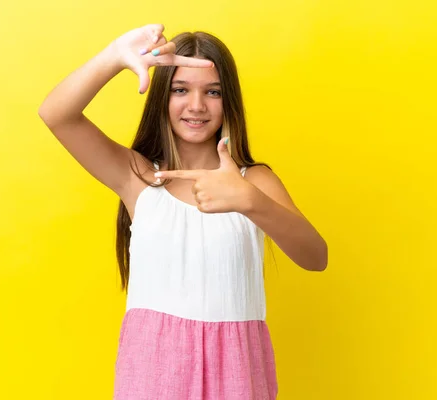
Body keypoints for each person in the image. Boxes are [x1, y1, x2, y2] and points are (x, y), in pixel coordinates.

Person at [38, 23, 328, 400]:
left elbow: (315, 257)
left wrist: (250, 201)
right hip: (154, 369)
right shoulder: (138, 177)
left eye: (213, 92)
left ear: (230, 103)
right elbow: (57, 114)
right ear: (163, 98)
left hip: (237, 372)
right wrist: (114, 56)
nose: (196, 105)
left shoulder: (253, 181)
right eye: (180, 90)